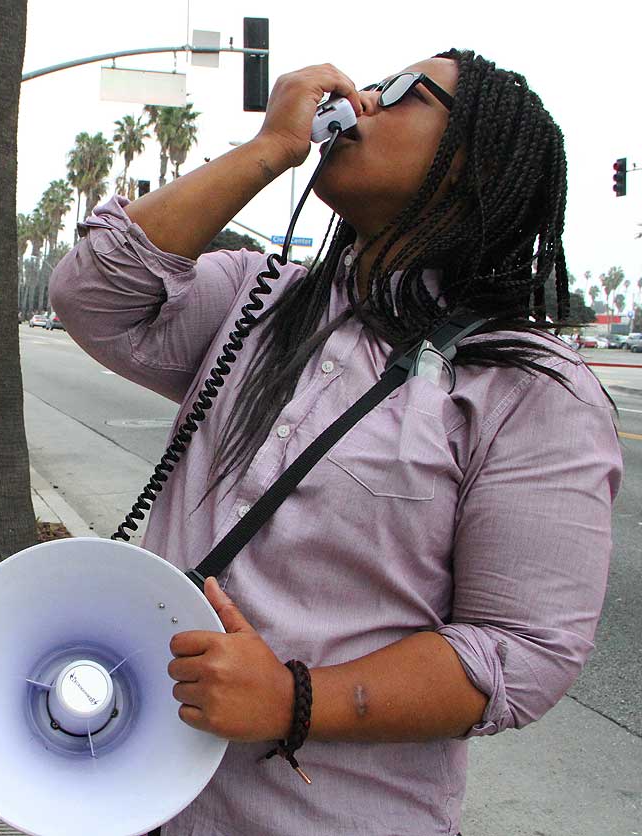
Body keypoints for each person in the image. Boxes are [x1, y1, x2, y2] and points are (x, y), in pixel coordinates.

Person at [50, 51, 621, 835]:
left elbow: (520, 653)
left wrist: (294, 699)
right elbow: (93, 291)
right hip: (136, 793)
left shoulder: (530, 386)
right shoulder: (258, 297)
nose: (359, 101)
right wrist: (267, 152)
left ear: (471, 164)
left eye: (398, 95)